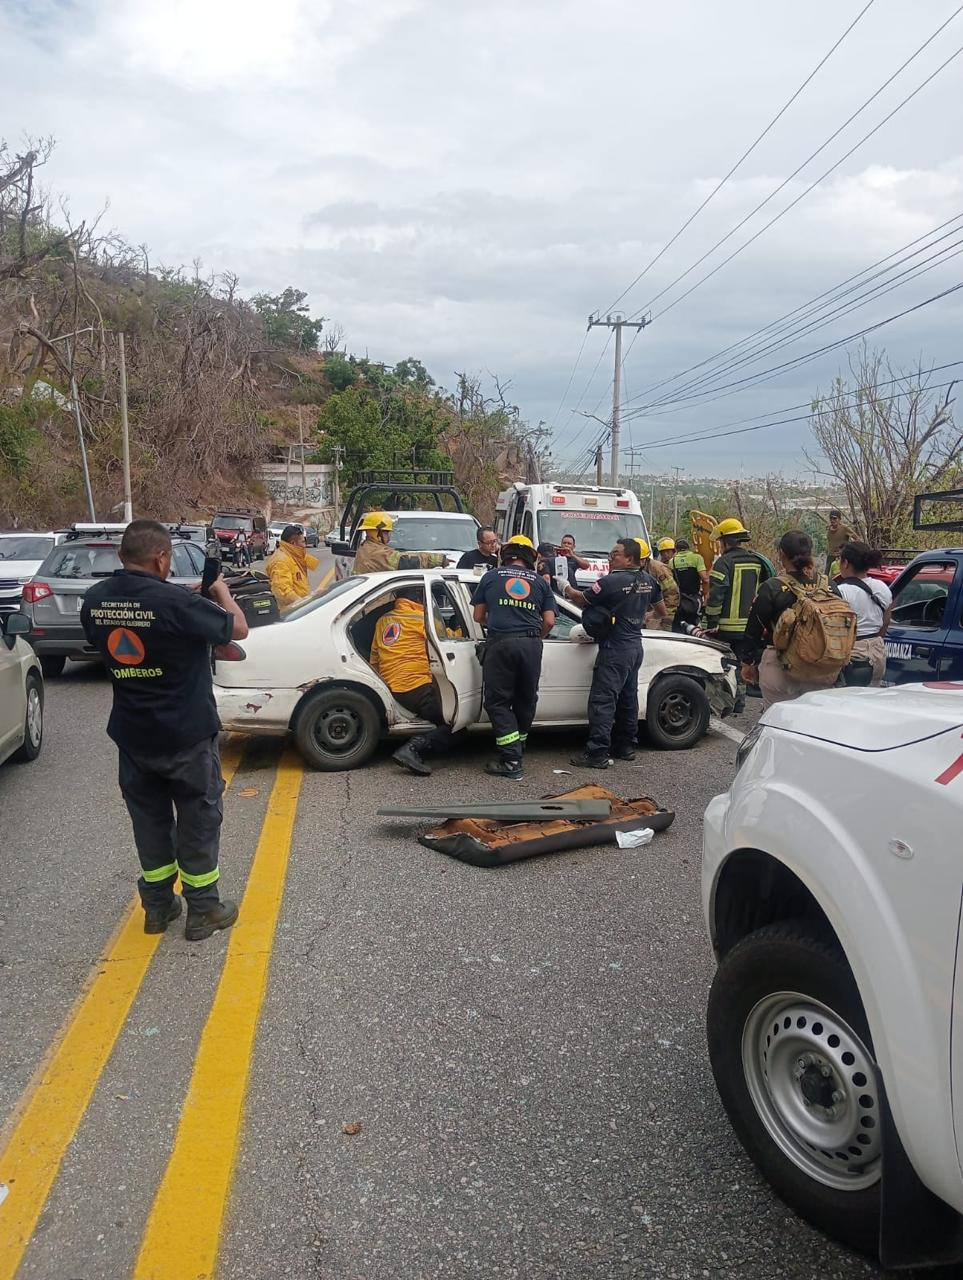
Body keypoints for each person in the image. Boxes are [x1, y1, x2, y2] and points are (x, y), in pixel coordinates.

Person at [80, 520, 248, 940]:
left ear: (123, 556)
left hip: (133, 735)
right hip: (185, 734)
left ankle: (157, 908)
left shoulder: (96, 599)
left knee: (149, 820)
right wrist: (219, 592)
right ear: (161, 557)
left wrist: (180, 607)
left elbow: (136, 625)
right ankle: (204, 909)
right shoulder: (176, 603)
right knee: (199, 817)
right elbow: (238, 629)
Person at [565, 537, 666, 767]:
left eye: (615, 554)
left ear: (630, 558)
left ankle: (597, 753)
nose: (611, 558)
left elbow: (582, 600)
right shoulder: (649, 580)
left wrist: (564, 586)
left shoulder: (610, 582)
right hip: (634, 647)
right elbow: (662, 610)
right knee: (628, 699)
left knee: (603, 700)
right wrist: (642, 617)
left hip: (615, 648)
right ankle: (625, 746)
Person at [472, 535, 555, 780]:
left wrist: (500, 623)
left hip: (501, 643)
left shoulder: (490, 577)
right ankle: (518, 748)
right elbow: (550, 621)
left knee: (498, 702)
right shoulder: (541, 583)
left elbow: (478, 616)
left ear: (505, 555)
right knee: (526, 699)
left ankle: (510, 760)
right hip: (531, 644)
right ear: (531, 557)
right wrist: (532, 636)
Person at [741, 530, 838, 710]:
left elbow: (753, 630)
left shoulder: (773, 587)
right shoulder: (829, 586)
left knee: (778, 722)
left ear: (781, 554)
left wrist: (748, 662)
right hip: (822, 669)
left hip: (781, 667)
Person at [369, 586, 455, 775]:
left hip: (393, 686)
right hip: (418, 686)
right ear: (418, 598)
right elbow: (451, 640)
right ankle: (412, 749)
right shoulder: (423, 620)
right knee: (456, 721)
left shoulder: (383, 620)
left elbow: (374, 659)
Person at [704, 518, 772, 713]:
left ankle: (734, 702)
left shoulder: (723, 562)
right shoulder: (757, 560)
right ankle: (745, 699)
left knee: (727, 664)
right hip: (751, 625)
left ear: (724, 541)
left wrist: (712, 621)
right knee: (745, 661)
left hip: (727, 626)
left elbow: (717, 594)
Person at [835, 541, 892, 686]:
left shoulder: (841, 592)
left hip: (854, 658)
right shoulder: (882, 588)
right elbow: (885, 623)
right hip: (877, 652)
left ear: (846, 563)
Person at [352, 512, 445, 575]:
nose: (389, 536)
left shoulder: (367, 547)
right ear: (377, 532)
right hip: (378, 602)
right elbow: (405, 561)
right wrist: (437, 559)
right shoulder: (374, 553)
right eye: (386, 532)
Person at [265, 524, 319, 607]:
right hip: (290, 613)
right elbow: (283, 591)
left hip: (297, 609)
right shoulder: (280, 561)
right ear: (293, 543)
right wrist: (303, 604)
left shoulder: (293, 556)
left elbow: (311, 563)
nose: (304, 545)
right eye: (303, 542)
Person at [670, 537, 709, 632]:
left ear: (676, 549)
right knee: (694, 626)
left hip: (679, 600)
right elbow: (705, 578)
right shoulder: (697, 558)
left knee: (679, 626)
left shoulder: (672, 561)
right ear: (688, 548)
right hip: (694, 600)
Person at [640, 539, 678, 629]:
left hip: (660, 615)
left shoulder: (659, 569)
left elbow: (671, 593)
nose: (666, 555)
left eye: (668, 551)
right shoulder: (633, 568)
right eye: (663, 552)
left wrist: (663, 616)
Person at [825, 509, 856, 573]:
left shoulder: (844, 528)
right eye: (831, 518)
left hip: (841, 556)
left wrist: (848, 549)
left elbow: (857, 539)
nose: (832, 520)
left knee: (841, 574)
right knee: (827, 574)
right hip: (830, 555)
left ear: (839, 519)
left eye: (835, 518)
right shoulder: (828, 528)